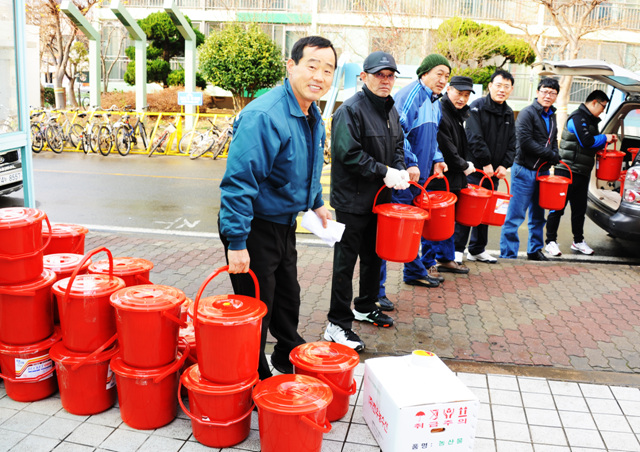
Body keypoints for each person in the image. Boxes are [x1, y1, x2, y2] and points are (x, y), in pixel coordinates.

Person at [218, 36, 336, 379]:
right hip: (254, 225)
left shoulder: (311, 113)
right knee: (258, 305)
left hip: (284, 223)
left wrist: (316, 203)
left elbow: (310, 165)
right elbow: (239, 182)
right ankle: (252, 373)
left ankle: (288, 353)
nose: (319, 76)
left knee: (288, 296)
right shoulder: (264, 115)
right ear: (291, 66)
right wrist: (237, 243)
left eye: (327, 70)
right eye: (311, 66)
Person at [324, 51, 408, 352]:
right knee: (345, 262)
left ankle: (364, 305)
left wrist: (398, 168)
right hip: (351, 200)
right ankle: (337, 323)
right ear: (364, 77)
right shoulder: (351, 110)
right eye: (378, 75)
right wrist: (383, 171)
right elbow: (348, 154)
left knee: (375, 256)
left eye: (389, 75)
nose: (385, 80)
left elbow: (398, 142)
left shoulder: (390, 109)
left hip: (379, 199)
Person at [378, 53, 451, 292]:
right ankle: (377, 290)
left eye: (446, 75)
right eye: (438, 73)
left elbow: (434, 137)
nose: (443, 79)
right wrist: (410, 162)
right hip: (404, 178)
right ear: (424, 73)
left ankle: (414, 271)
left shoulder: (435, 101)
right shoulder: (412, 95)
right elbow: (398, 132)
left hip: (421, 178)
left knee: (414, 229)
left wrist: (438, 159)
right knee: (393, 233)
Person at [545, 89, 617, 256]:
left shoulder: (591, 120)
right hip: (566, 170)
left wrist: (604, 142)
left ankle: (578, 241)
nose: (603, 110)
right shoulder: (577, 118)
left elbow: (593, 144)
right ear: (594, 102)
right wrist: (605, 138)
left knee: (579, 209)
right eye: (603, 106)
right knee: (558, 208)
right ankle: (550, 242)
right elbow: (587, 142)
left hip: (582, 171)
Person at [456, 69, 516, 264]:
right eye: (498, 85)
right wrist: (487, 163)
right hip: (475, 170)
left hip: (494, 173)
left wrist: (504, 165)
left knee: (486, 212)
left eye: (506, 87)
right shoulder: (476, 107)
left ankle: (477, 249)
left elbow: (512, 143)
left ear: (511, 90)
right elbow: (474, 137)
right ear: (490, 86)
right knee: (468, 209)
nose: (502, 90)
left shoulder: (508, 112)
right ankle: (457, 249)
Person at [499, 78, 561, 261]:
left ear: (556, 96)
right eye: (544, 91)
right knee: (515, 216)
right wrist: (551, 155)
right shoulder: (527, 113)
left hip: (542, 172)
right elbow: (525, 143)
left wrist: (555, 154)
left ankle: (535, 250)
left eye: (552, 92)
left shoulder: (552, 115)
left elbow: (552, 140)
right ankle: (508, 254)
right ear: (537, 92)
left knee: (538, 215)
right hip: (524, 170)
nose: (547, 95)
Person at [431, 75, 476, 275]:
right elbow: (446, 147)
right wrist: (464, 165)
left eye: (466, 95)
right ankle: (427, 263)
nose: (462, 99)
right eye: (459, 93)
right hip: (443, 177)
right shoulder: (441, 112)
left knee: (449, 222)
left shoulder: (456, 113)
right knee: (437, 223)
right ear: (448, 90)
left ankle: (445, 259)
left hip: (454, 178)